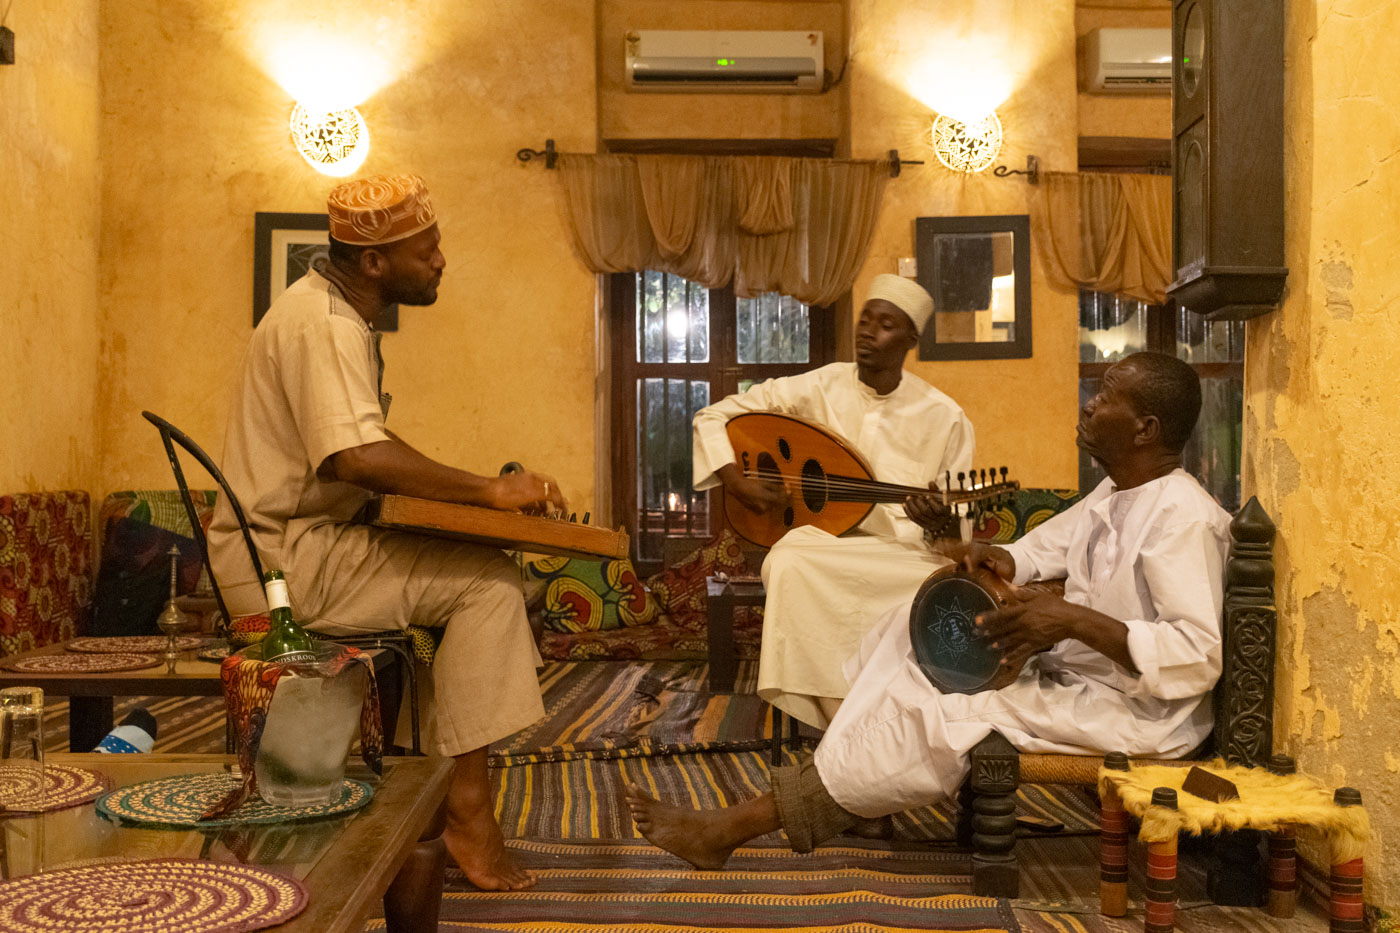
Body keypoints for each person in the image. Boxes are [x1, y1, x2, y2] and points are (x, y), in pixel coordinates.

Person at [628, 352, 1230, 868]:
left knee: (939, 710)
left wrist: (1070, 621)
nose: (1089, 405)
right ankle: (853, 801)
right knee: (903, 636)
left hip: (1141, 715)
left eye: (1105, 398)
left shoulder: (1181, 517)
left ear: (1145, 428)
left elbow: (1197, 656)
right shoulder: (1115, 494)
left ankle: (734, 829)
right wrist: (962, 544)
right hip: (1084, 682)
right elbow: (1025, 555)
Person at [210, 174, 562, 891]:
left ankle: (427, 794)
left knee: (476, 565)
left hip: (300, 546)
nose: (440, 261)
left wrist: (474, 496)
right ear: (374, 262)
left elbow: (362, 438)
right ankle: (466, 814)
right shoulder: (324, 324)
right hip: (282, 562)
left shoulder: (332, 314)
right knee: (489, 585)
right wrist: (489, 489)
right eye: (426, 249)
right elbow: (356, 457)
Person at [691, 274, 975, 729]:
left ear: (910, 340)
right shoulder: (818, 387)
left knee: (938, 585)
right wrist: (737, 482)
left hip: (901, 557)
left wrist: (938, 522)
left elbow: (957, 532)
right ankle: (838, 722)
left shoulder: (946, 417)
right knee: (786, 563)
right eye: (865, 320)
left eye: (884, 324)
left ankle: (889, 719)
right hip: (823, 545)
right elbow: (714, 415)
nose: (867, 331)